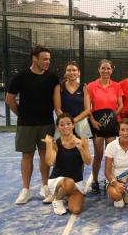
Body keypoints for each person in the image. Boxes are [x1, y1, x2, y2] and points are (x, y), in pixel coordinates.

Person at [5, 46, 62, 205]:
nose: (47, 62)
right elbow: (9, 100)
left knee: (45, 156)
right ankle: (26, 189)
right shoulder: (20, 77)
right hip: (26, 125)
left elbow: (57, 105)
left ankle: (45, 186)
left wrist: (62, 122)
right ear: (34, 59)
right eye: (44, 59)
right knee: (27, 156)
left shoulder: (52, 78)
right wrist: (22, 115)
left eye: (49, 59)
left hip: (46, 124)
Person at [42, 114, 92, 215]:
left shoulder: (82, 140)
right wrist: (49, 145)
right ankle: (57, 198)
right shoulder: (55, 143)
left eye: (68, 123)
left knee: (76, 210)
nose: (65, 127)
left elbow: (88, 162)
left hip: (76, 183)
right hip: (58, 180)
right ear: (57, 127)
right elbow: (50, 162)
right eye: (62, 124)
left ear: (73, 125)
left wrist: (80, 148)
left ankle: (65, 194)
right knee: (69, 182)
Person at [87, 59, 124, 194]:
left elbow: (120, 105)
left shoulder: (116, 86)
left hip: (112, 125)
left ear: (111, 70)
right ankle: (95, 181)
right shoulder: (91, 86)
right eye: (103, 68)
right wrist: (92, 121)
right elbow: (88, 107)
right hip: (97, 124)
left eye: (108, 68)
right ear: (99, 69)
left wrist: (112, 117)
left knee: (112, 155)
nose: (105, 71)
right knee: (98, 155)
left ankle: (110, 181)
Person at [56, 61, 92, 139]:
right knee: (61, 149)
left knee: (83, 150)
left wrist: (73, 121)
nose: (71, 72)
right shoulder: (59, 87)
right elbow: (57, 108)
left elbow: (88, 110)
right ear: (65, 72)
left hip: (81, 123)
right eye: (69, 70)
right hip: (63, 124)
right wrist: (66, 123)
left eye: (74, 70)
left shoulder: (84, 87)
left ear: (79, 73)